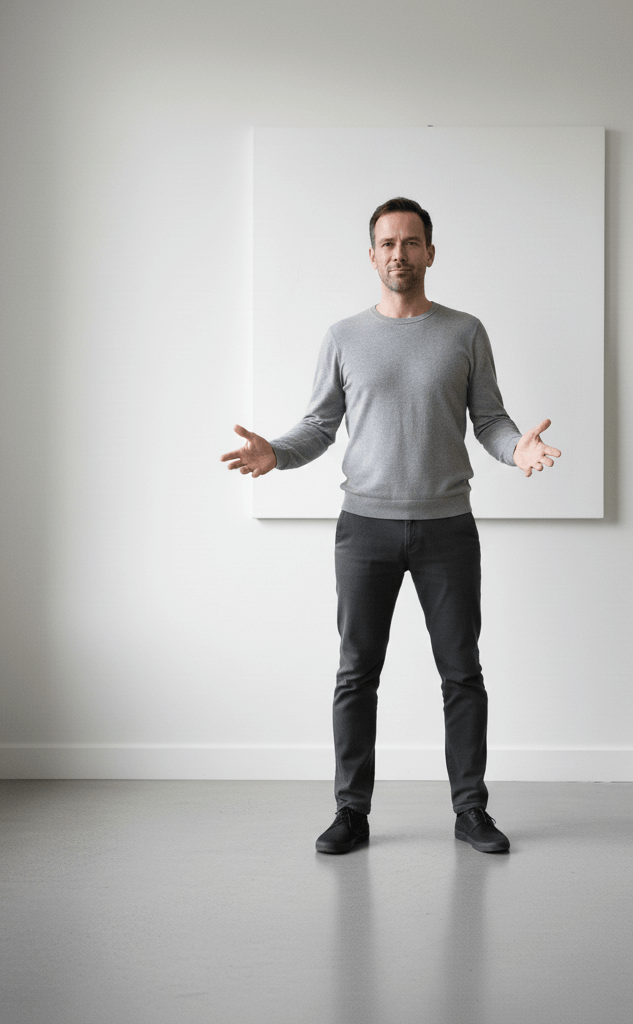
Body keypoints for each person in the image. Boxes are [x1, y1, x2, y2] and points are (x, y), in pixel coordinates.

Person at [221, 197, 560, 854]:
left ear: (430, 252)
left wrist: (516, 449)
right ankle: (351, 812)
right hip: (365, 530)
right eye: (387, 243)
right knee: (356, 675)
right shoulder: (344, 336)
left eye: (410, 242)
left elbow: (490, 420)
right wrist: (277, 453)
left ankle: (471, 811)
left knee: (461, 673)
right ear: (372, 255)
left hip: (447, 529)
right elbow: (319, 425)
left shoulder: (465, 332)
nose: (398, 253)